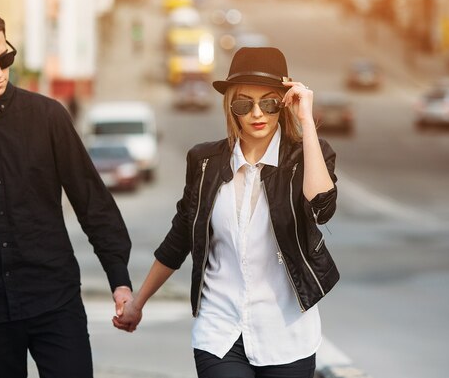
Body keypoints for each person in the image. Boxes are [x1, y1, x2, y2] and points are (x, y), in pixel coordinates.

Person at [0, 1, 134, 378]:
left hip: (56, 301)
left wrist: (120, 279)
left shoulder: (49, 117)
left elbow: (91, 200)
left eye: (5, 57)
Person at [113, 47, 340, 377]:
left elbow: (322, 208)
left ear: (284, 101)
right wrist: (137, 303)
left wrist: (306, 120)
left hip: (287, 335)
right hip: (220, 331)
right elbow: (180, 238)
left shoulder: (306, 157)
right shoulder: (205, 162)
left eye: (269, 102)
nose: (256, 113)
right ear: (230, 106)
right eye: (243, 103)